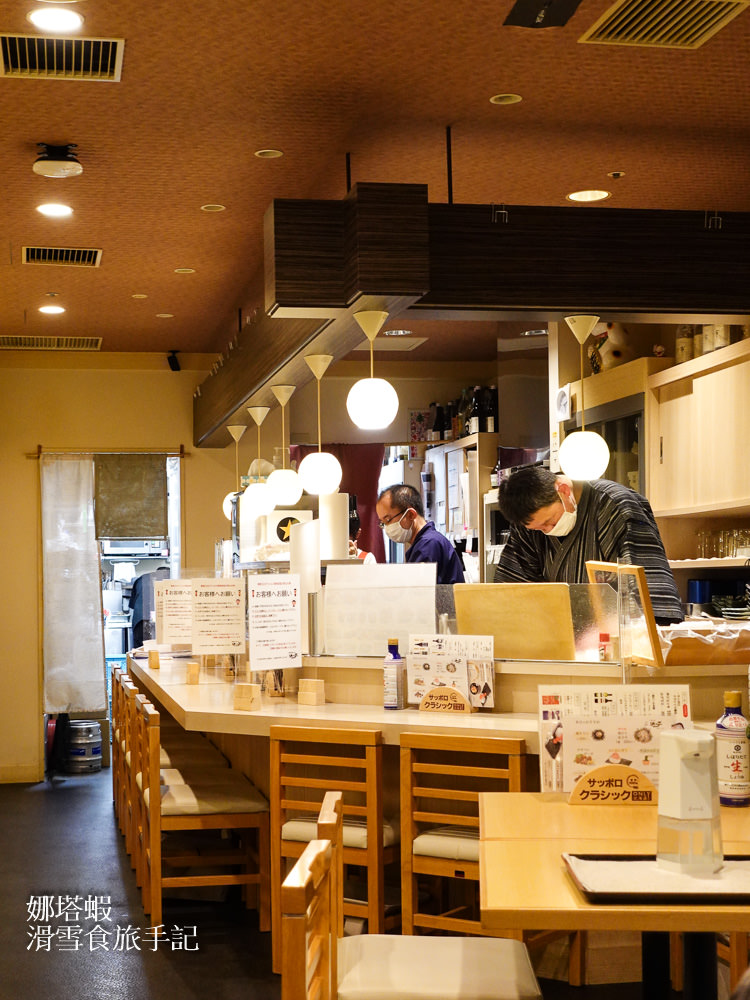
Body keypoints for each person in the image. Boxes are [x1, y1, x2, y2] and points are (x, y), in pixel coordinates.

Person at [494, 466, 683, 625]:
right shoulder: (529, 525)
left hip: (619, 636)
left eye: (550, 521)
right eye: (538, 528)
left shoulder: (614, 504)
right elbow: (515, 593)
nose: (547, 530)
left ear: (563, 491)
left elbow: (643, 592)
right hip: (564, 637)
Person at [376, 483, 464, 584]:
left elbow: (420, 594)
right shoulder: (425, 542)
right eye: (382, 523)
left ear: (410, 514)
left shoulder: (428, 545)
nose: (387, 527)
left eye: (388, 520)